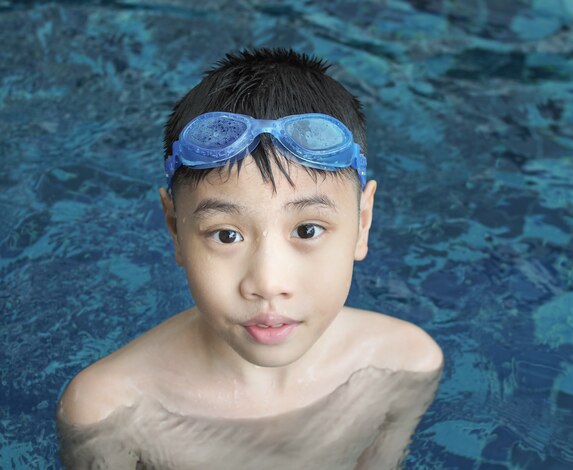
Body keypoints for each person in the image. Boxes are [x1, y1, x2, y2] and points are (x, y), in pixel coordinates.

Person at [56, 47, 443, 469]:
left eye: (307, 230)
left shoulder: (405, 366)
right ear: (174, 228)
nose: (267, 281)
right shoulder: (110, 412)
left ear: (362, 222)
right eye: (226, 234)